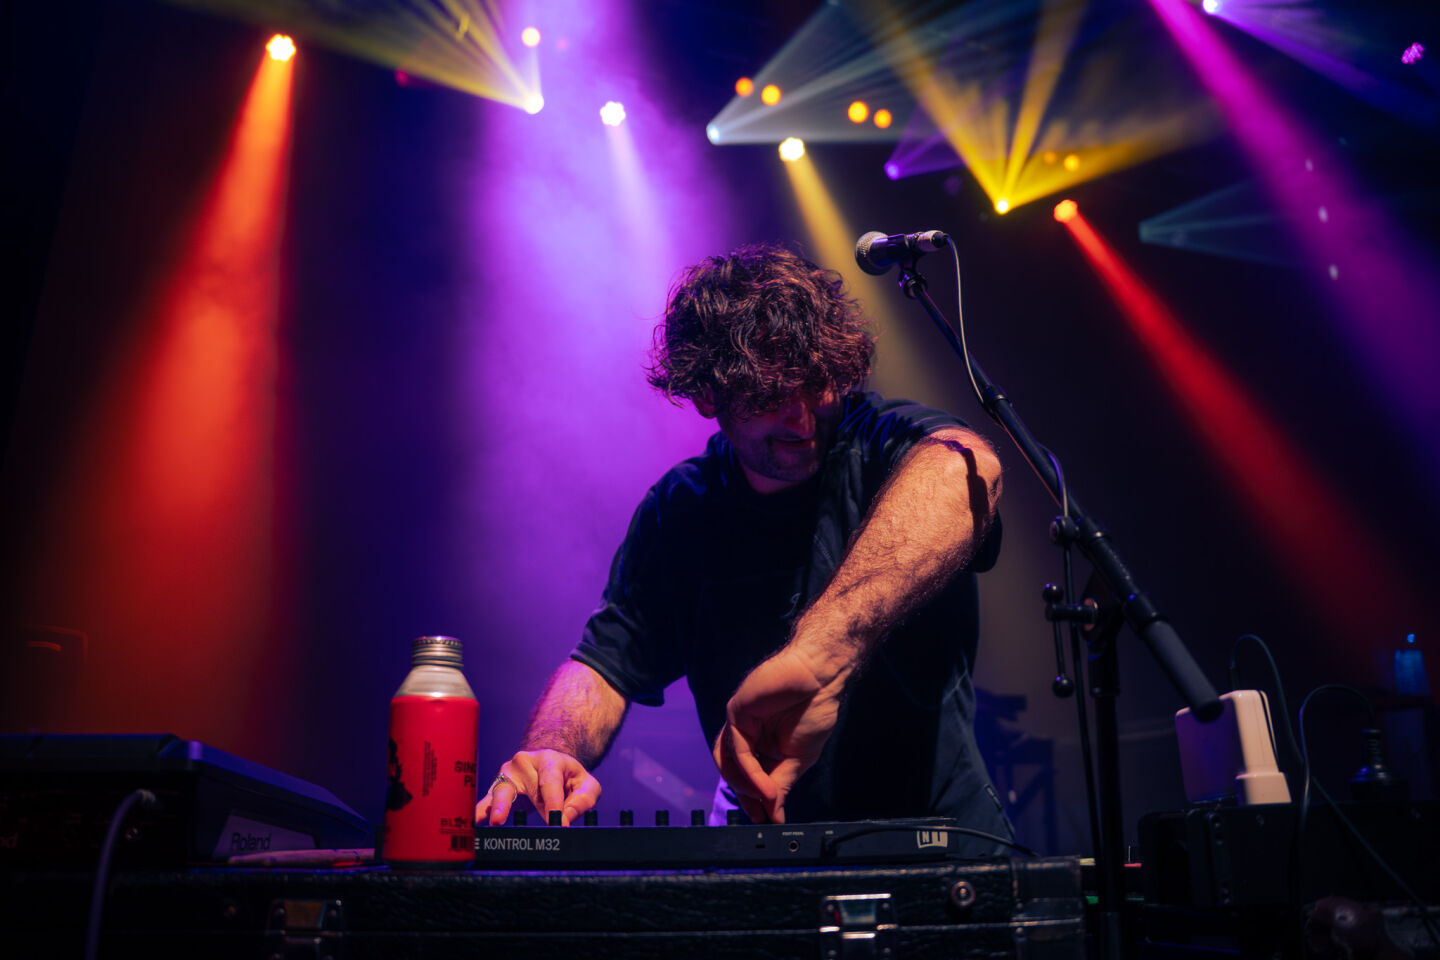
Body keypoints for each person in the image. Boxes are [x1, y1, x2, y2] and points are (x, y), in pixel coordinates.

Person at [477, 243, 1012, 852]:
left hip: (943, 843)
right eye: (771, 393)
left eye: (817, 384)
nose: (802, 418)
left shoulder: (881, 441)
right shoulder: (681, 509)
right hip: (774, 852)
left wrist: (818, 655)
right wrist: (552, 748)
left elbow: (967, 469)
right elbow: (604, 663)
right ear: (709, 394)